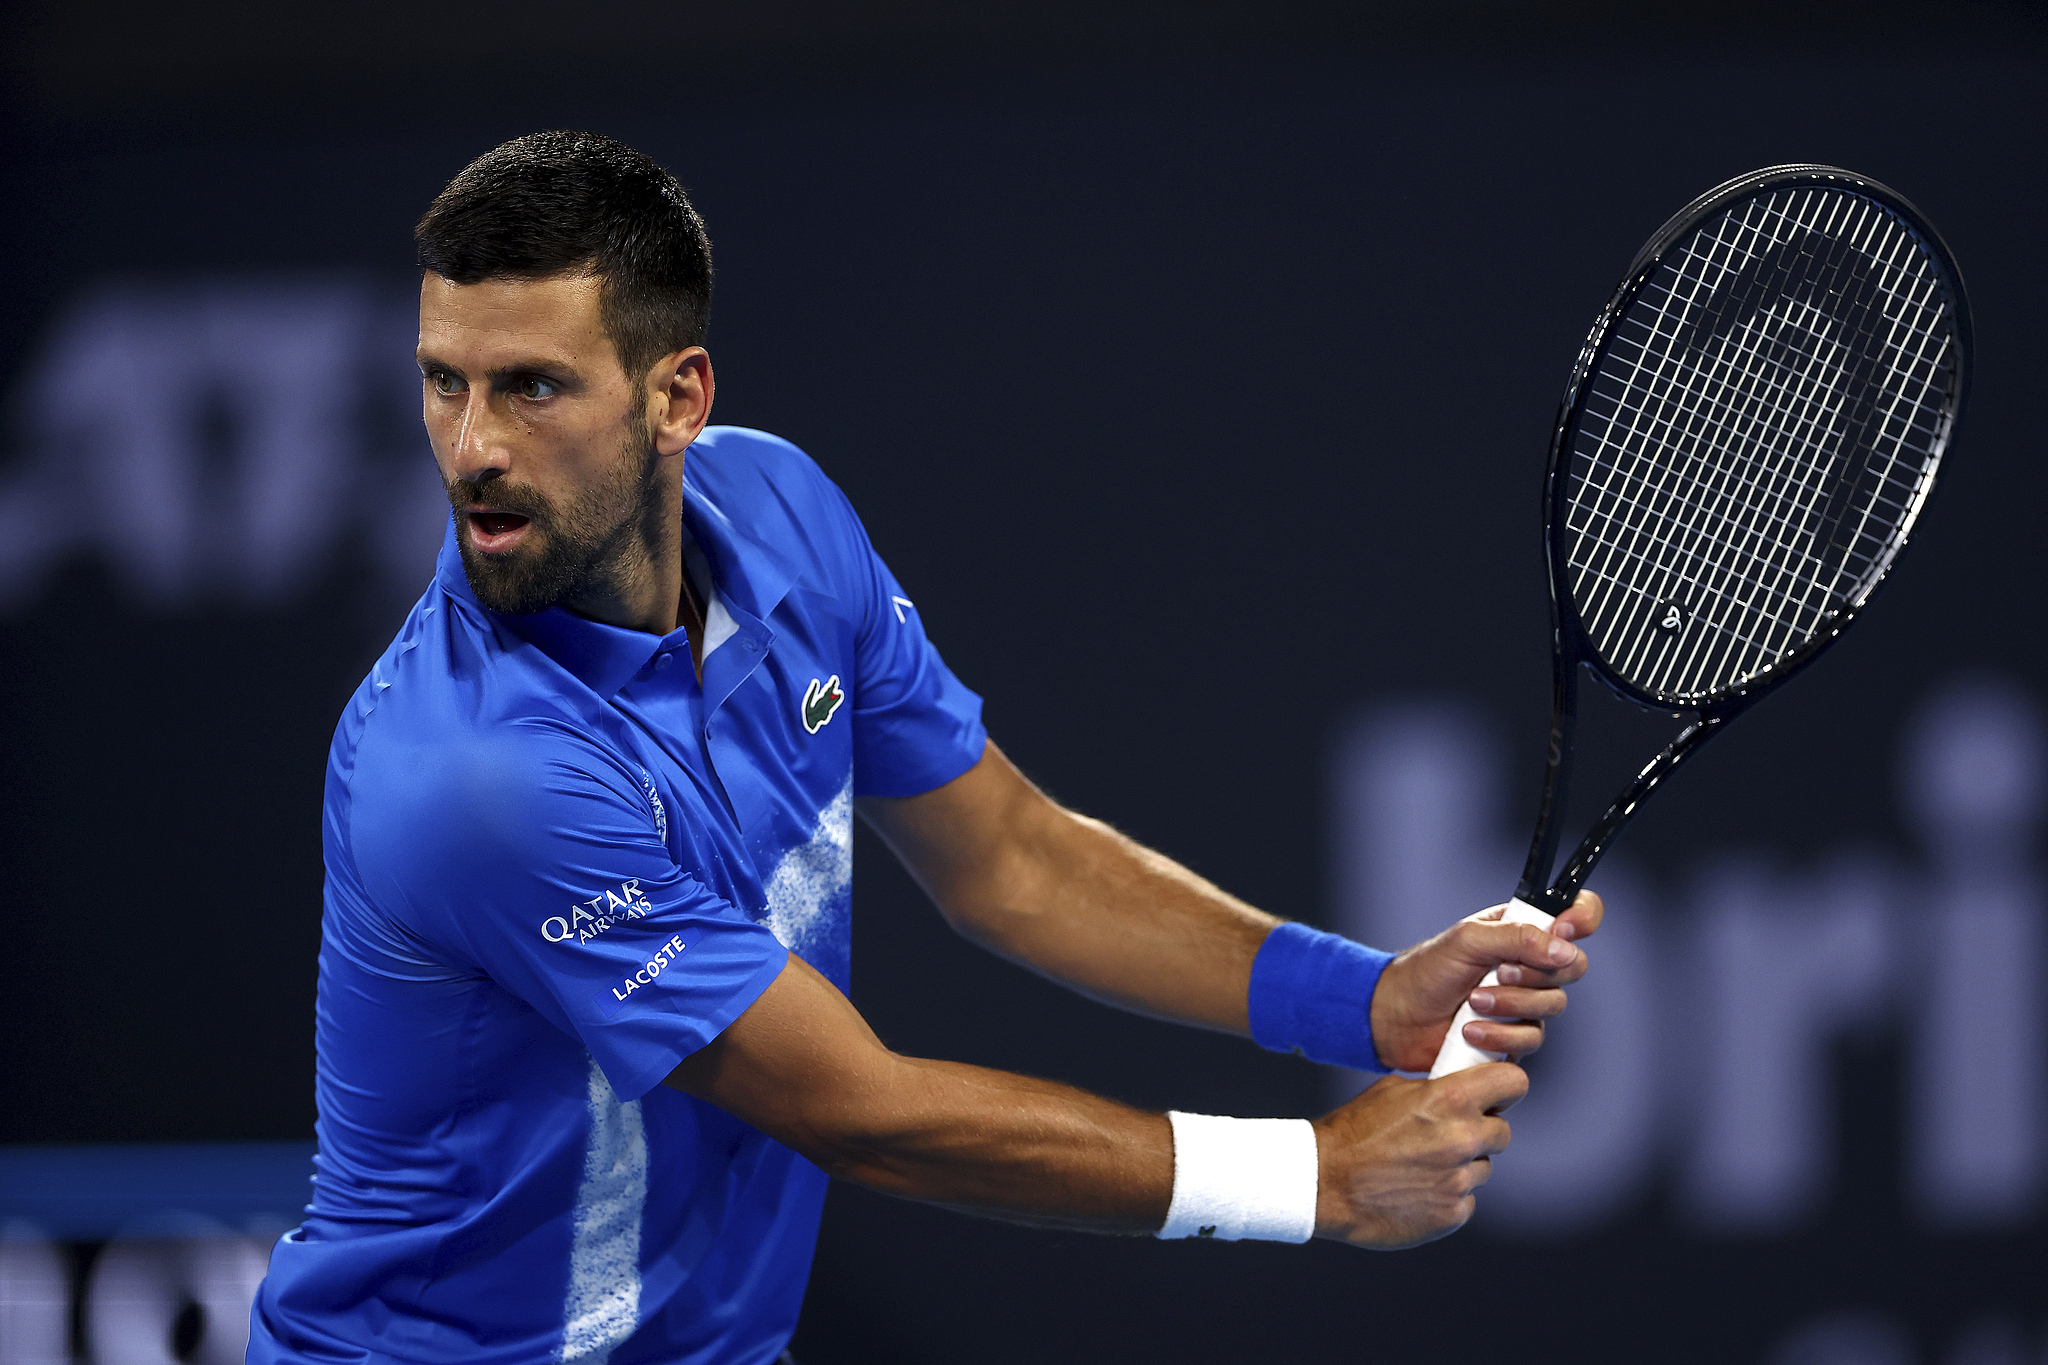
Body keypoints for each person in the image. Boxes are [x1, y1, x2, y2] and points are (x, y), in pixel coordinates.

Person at [249, 130, 1603, 1365]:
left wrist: (1361, 1001)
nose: (472, 446)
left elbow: (1008, 860)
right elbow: (859, 1111)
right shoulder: (475, 775)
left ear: (677, 398)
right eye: (444, 383)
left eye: (532, 387)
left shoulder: (782, 513)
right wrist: (1316, 1176)